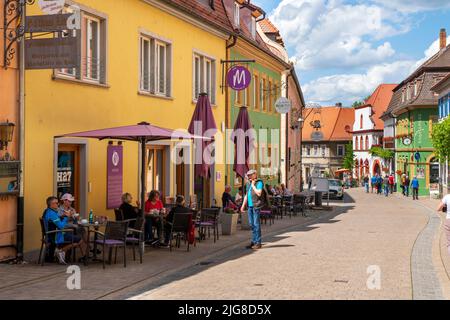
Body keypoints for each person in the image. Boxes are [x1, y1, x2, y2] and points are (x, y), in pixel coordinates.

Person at [43, 196, 87, 264]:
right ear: (51, 204)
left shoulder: (48, 211)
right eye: (56, 203)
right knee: (80, 239)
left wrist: (62, 216)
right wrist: (66, 217)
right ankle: (60, 251)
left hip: (51, 234)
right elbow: (61, 226)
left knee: (75, 236)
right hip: (56, 236)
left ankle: (61, 252)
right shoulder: (52, 214)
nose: (58, 204)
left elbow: (56, 221)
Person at [240, 169, 265, 250]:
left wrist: (253, 185)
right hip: (250, 206)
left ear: (255, 174)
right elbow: (246, 195)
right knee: (251, 224)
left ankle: (258, 242)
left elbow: (259, 193)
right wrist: (243, 206)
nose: (249, 176)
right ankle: (254, 241)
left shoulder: (259, 182)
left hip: (256, 206)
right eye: (248, 175)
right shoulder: (248, 183)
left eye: (250, 175)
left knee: (256, 224)